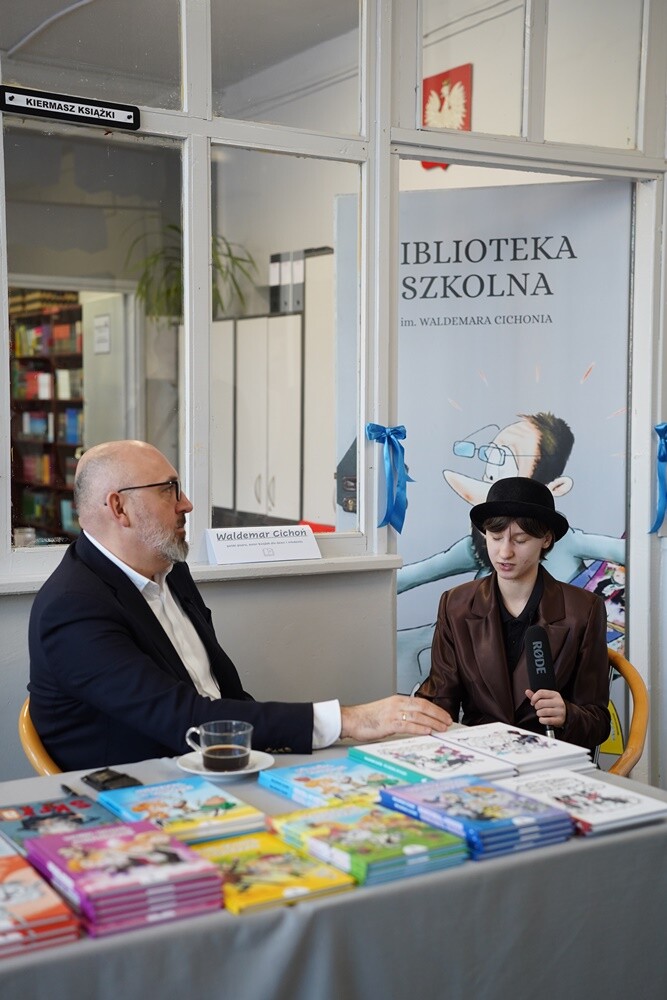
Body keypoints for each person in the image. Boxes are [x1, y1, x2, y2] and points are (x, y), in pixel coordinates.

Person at [28, 440, 451, 772]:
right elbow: (184, 720)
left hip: (218, 768)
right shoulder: (72, 609)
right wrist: (350, 720)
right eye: (169, 490)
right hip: (134, 803)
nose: (187, 504)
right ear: (119, 507)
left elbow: (224, 693)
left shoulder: (170, 569)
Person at [415, 476, 611, 752]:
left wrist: (568, 714)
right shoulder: (456, 604)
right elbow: (441, 699)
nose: (504, 552)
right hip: (480, 755)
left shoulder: (583, 611)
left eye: (520, 539)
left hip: (548, 759)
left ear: (546, 539)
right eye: (495, 538)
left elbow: (599, 721)